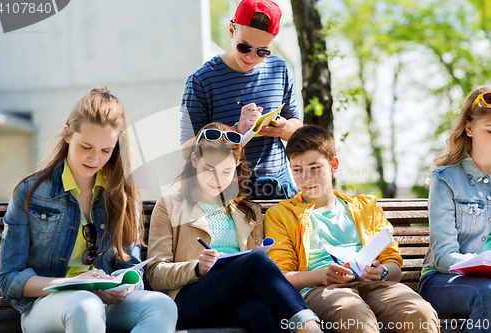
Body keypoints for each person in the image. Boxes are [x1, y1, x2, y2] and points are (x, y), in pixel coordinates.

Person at [0, 87, 177, 333]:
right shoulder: (31, 192)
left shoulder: (123, 194)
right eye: (86, 146)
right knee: (86, 304)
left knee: (163, 306)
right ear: (68, 134)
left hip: (105, 304)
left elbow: (130, 267)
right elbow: (9, 278)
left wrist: (121, 286)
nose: (94, 159)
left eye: (106, 150)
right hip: (46, 306)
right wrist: (73, 284)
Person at [147, 122, 322, 333]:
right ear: (194, 160)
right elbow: (155, 273)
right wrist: (196, 268)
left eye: (227, 171)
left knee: (261, 314)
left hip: (237, 298)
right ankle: (310, 327)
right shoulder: (170, 206)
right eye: (208, 169)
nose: (217, 179)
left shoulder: (248, 211)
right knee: (256, 261)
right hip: (189, 301)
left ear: (237, 166)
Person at [264, 125, 439, 333]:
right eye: (297, 170)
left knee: (421, 313)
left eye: (314, 167)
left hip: (374, 285)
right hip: (322, 289)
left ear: (333, 165)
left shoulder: (366, 208)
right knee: (355, 314)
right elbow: (282, 276)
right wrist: (322, 276)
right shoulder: (282, 215)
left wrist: (381, 272)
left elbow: (393, 267)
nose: (306, 178)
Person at [179, 0, 300, 200]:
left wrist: (283, 128)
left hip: (280, 187)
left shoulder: (279, 69)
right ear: (231, 30)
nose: (252, 57)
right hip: (228, 192)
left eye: (263, 51)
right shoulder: (201, 80)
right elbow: (186, 150)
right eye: (244, 47)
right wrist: (235, 132)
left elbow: (296, 127)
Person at [419, 86, 491, 333]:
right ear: (469, 128)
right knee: (488, 293)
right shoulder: (446, 178)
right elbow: (444, 257)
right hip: (443, 281)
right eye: (490, 130)